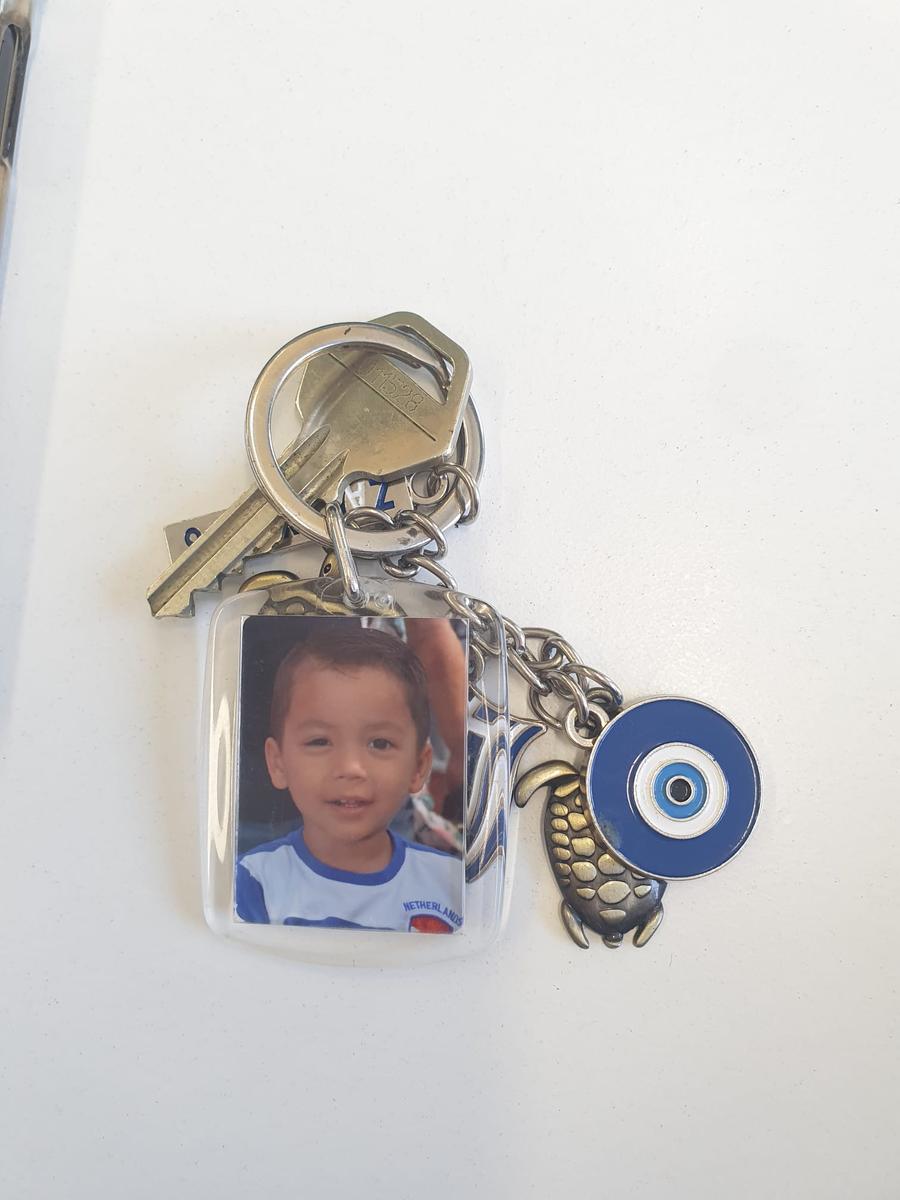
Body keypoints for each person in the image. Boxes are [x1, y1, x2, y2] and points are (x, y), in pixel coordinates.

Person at [235, 624, 463, 932]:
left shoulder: (454, 887)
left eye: (379, 743)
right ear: (278, 763)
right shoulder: (250, 885)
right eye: (320, 741)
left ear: (418, 767)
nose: (350, 767)